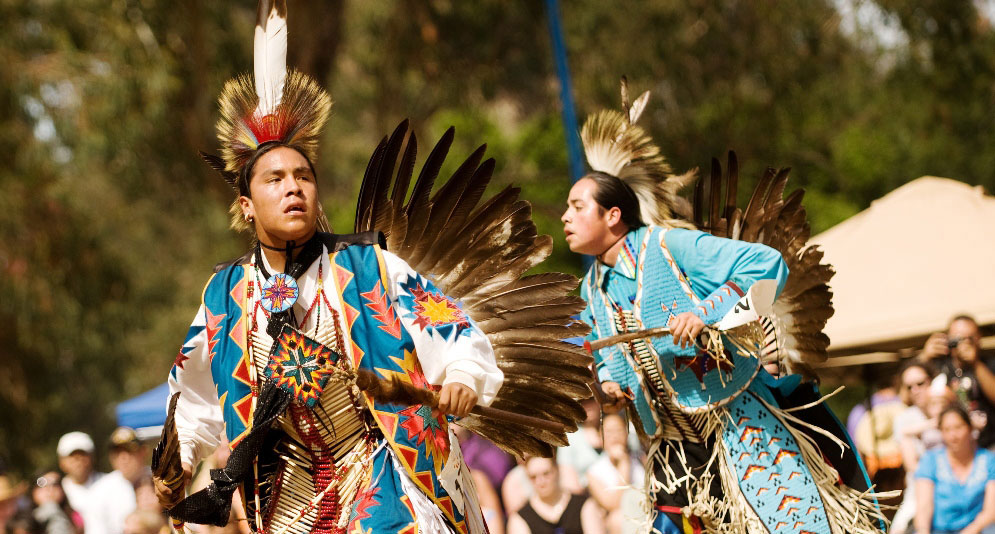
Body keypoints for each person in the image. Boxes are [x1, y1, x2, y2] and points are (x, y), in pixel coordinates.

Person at [152, 3, 527, 533]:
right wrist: (180, 459)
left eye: (302, 176)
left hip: (384, 477)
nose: (292, 188)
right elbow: (191, 397)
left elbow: (450, 325)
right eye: (274, 179)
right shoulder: (224, 294)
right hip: (287, 501)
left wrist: (464, 374)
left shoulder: (364, 267)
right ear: (245, 205)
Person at [564, 82, 885, 533]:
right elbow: (610, 359)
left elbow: (766, 264)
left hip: (738, 424)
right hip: (673, 453)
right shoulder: (592, 287)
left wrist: (705, 314)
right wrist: (613, 390)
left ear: (613, 214)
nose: (565, 217)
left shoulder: (669, 246)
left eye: (577, 207)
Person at [914, 405, 995, 534]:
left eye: (958, 427)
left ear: (970, 428)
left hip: (978, 530)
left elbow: (991, 511)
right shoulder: (930, 460)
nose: (953, 435)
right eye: (946, 429)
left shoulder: (989, 460)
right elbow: (924, 506)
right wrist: (923, 530)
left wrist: (971, 530)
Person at [920, 315, 995, 448]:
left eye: (969, 338)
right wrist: (924, 357)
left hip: (988, 445)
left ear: (978, 339)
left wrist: (975, 363)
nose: (963, 343)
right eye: (958, 338)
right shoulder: (938, 366)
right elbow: (907, 395)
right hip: (951, 448)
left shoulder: (988, 364)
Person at [506, 457, 605, 534]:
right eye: (533, 477)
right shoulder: (519, 518)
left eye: (546, 473)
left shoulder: (584, 505)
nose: (541, 482)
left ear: (557, 470)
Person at [57, 432, 106, 534]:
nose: (78, 460)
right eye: (72, 456)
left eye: (82, 454)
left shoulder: (110, 484)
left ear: (92, 457)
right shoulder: (58, 492)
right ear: (61, 462)